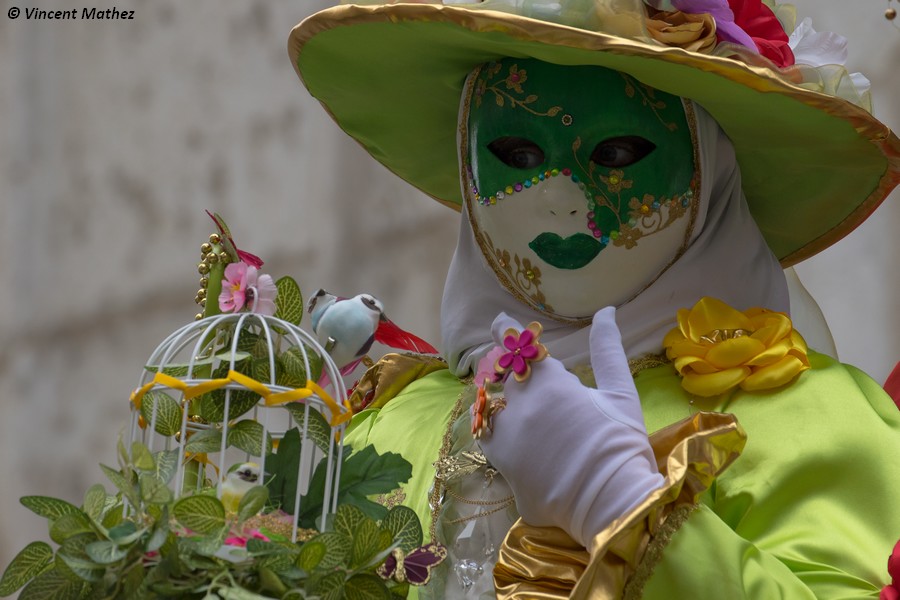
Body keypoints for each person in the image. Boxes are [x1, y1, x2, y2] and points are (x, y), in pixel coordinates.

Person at [288, 1, 900, 597]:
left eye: (615, 154)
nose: (559, 194)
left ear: (709, 166)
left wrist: (621, 504)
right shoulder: (388, 428)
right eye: (518, 156)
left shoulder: (812, 422)